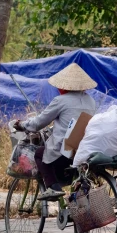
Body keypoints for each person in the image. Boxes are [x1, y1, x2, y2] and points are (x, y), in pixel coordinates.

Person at [15, 63, 97, 201]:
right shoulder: (91, 101)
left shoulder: (61, 100)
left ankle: (52, 187)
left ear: (63, 86)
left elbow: (39, 122)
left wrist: (22, 125)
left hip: (65, 152)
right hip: (83, 150)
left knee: (39, 153)